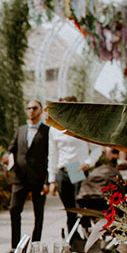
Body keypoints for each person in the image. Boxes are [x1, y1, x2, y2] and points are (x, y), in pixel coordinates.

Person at [47, 96, 101, 237]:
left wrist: (88, 163)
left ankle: (87, 236)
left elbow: (96, 148)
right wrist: (52, 180)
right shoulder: (54, 129)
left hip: (76, 169)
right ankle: (73, 242)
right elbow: (52, 155)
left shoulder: (83, 126)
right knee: (69, 210)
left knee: (81, 209)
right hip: (62, 171)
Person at [1, 99, 51, 253]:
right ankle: (15, 247)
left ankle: (35, 246)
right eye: (28, 108)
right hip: (20, 178)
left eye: (34, 108)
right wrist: (8, 159)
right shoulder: (20, 130)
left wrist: (48, 181)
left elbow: (51, 156)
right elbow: (11, 149)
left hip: (39, 178)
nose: (31, 111)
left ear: (41, 111)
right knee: (14, 209)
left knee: (38, 213)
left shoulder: (47, 131)